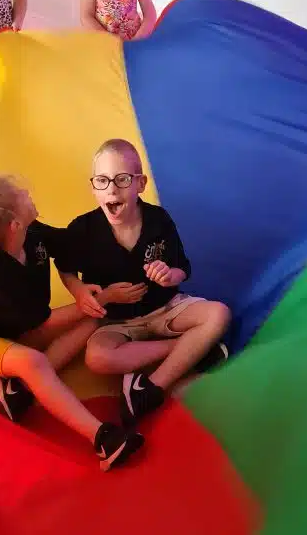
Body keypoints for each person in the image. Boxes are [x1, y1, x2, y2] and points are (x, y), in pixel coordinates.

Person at [0, 175, 144, 470]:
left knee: (97, 321)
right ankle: (103, 439)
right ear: (14, 224)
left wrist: (81, 288)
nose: (28, 192)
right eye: (21, 194)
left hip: (16, 327)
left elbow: (68, 248)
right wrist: (104, 297)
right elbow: (45, 321)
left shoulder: (32, 233)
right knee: (33, 362)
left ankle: (18, 391)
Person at [55, 139, 231, 426]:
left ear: (141, 184)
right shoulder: (82, 229)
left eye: (123, 179)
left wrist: (170, 275)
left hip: (165, 310)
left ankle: (150, 389)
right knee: (96, 358)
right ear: (93, 187)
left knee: (218, 314)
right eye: (102, 180)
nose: (112, 189)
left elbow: (182, 268)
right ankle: (190, 349)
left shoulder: (158, 220)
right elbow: (65, 268)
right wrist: (79, 290)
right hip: (117, 322)